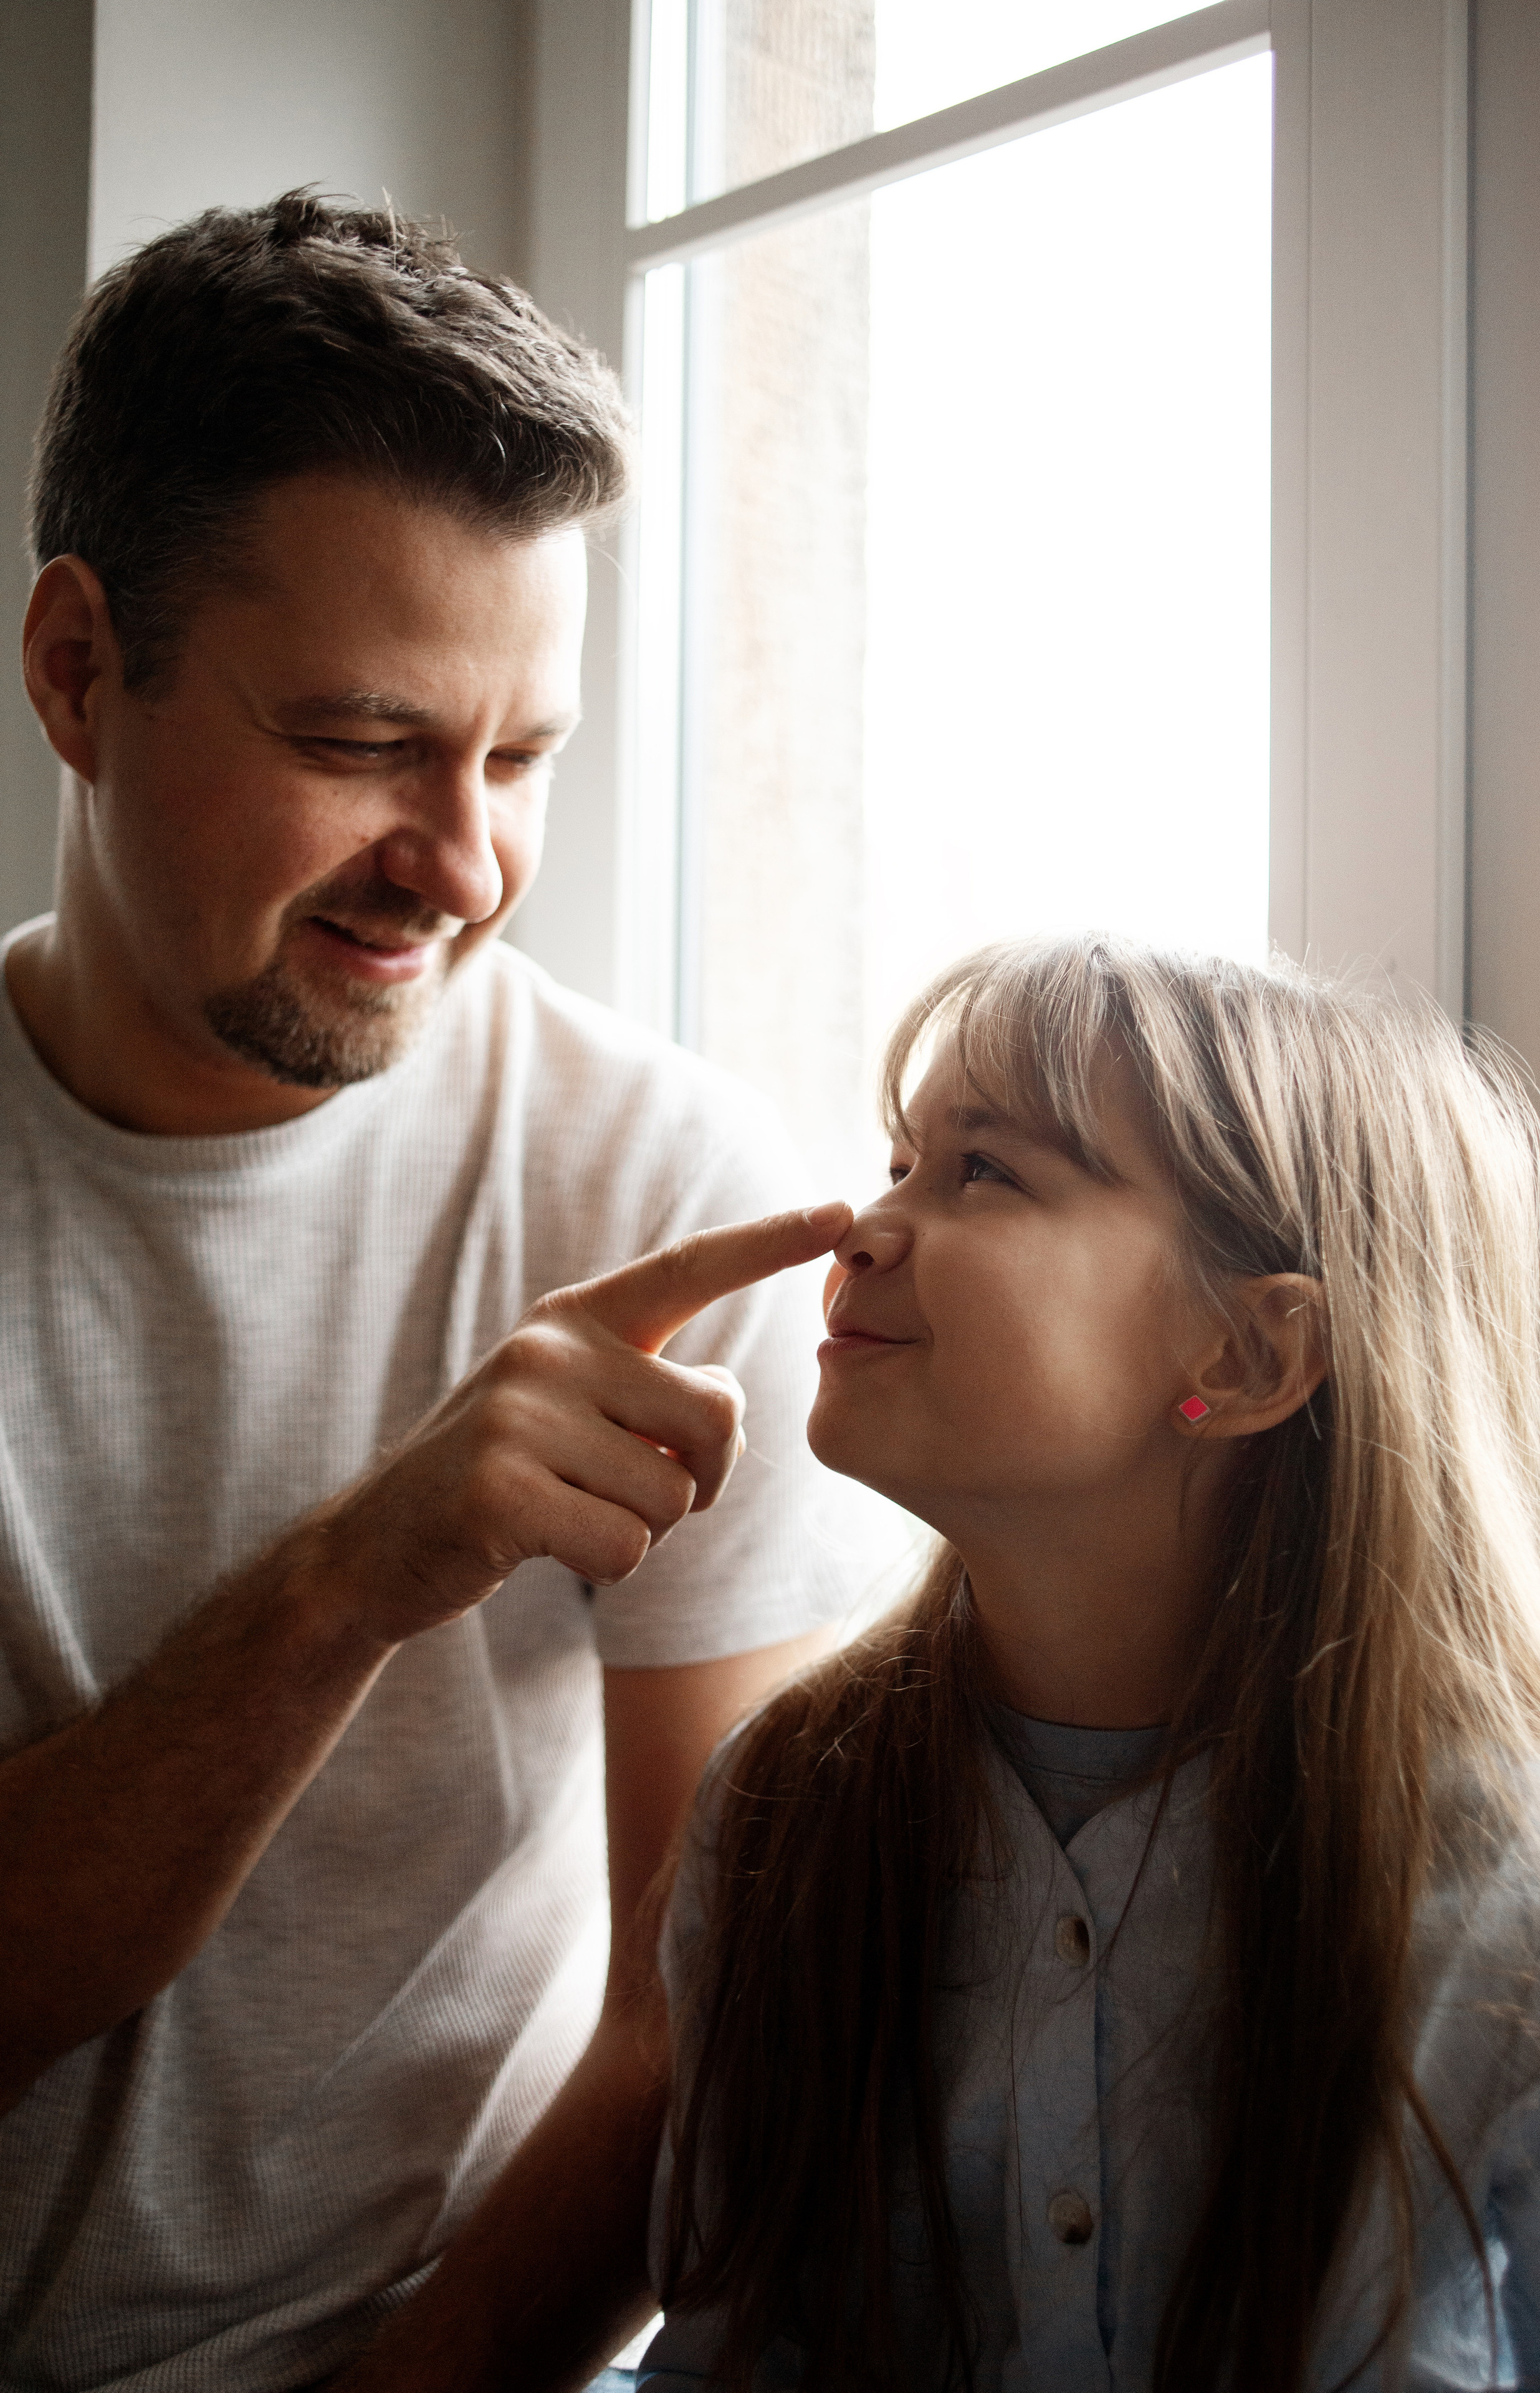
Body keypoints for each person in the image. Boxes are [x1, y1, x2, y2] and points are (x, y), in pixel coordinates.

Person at [0, 191, 859, 2392]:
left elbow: (702, 2021)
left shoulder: (662, 1191)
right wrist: (351, 1583)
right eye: (367, 744)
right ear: (79, 673)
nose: (465, 865)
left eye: (524, 758)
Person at [638, 935, 1540, 2392]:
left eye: (982, 1173)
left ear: (1253, 1352)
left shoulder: (1530, 1902)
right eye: (897, 1161)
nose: (860, 1228)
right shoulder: (781, 1808)